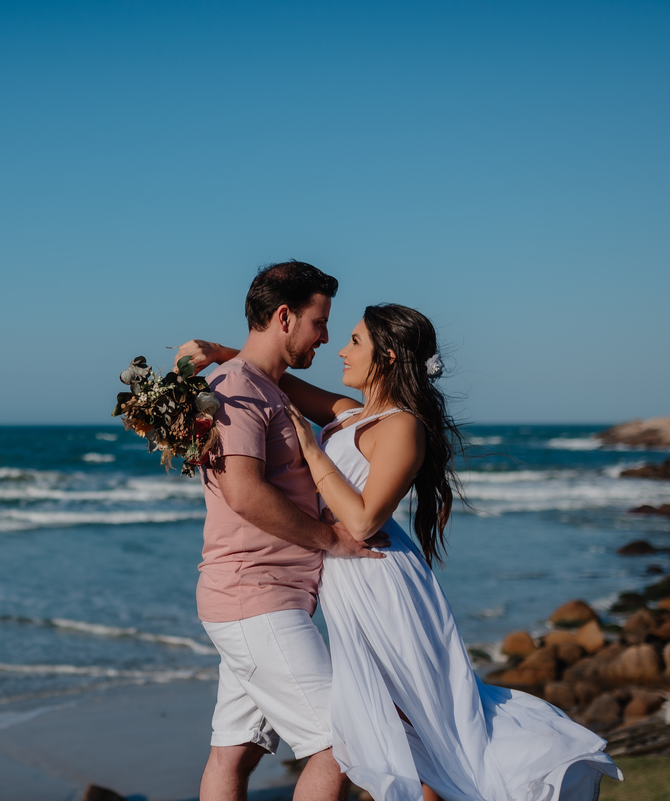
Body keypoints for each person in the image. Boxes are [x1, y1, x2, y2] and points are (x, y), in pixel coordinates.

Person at [179, 303, 623, 801]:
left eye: (354, 341)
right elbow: (274, 382)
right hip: (342, 578)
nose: (339, 348)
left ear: (387, 357)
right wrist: (224, 354)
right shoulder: (351, 414)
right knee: (399, 731)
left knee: (398, 725)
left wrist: (312, 453)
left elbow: (365, 520)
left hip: (377, 580)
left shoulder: (401, 425)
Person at [192, 261, 391, 801]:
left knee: (234, 753)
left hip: (266, 597)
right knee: (344, 744)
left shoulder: (263, 386)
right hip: (254, 598)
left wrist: (224, 350)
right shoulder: (235, 390)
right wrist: (334, 542)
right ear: (284, 316)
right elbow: (245, 492)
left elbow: (345, 412)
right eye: (319, 323)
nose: (326, 337)